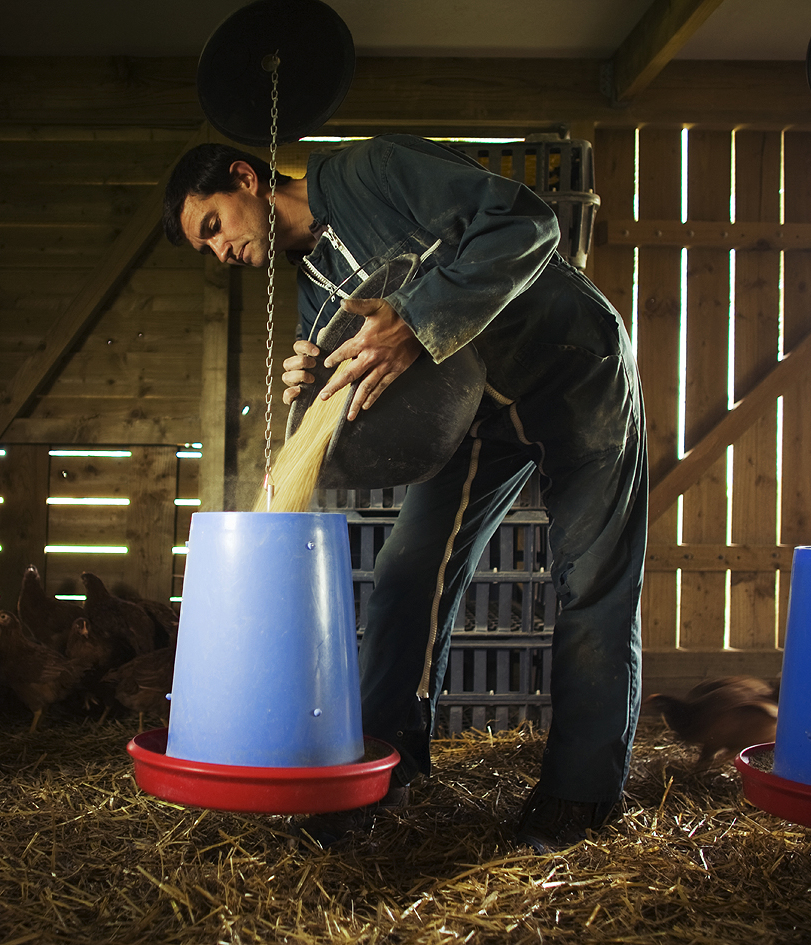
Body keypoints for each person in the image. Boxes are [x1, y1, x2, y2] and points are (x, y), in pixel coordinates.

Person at [161, 135, 648, 852]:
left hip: (572, 366)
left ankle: (578, 793)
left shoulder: (368, 172)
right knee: (404, 575)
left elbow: (527, 224)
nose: (219, 250)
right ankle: (381, 770)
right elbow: (357, 388)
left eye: (212, 226)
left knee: (589, 578)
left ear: (245, 178)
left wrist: (416, 322)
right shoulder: (312, 283)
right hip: (472, 407)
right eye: (205, 248)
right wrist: (311, 387)